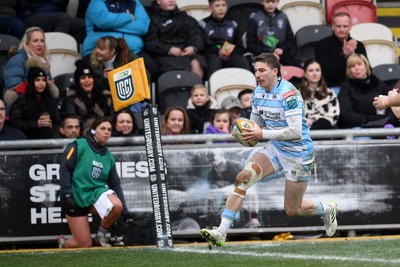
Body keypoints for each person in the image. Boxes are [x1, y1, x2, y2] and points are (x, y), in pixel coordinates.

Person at [200, 53, 338, 247]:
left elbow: (295, 131)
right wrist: (242, 132)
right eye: (255, 70)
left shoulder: (289, 94)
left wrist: (260, 133)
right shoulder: (258, 92)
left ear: (275, 71)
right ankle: (221, 232)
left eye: (262, 70)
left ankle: (326, 208)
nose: (257, 74)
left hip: (299, 154)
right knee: (243, 177)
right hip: (275, 147)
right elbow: (254, 126)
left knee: (292, 209)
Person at [57, 116, 126, 248]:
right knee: (84, 244)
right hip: (75, 197)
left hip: (95, 196)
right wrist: (66, 195)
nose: (106, 132)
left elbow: (115, 184)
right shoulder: (79, 145)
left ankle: (101, 235)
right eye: (103, 128)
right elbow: (64, 169)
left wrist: (125, 212)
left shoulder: (109, 156)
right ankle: (63, 243)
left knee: (116, 205)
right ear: (94, 130)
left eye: (109, 130)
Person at [84, 0, 158, 81]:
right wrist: (128, 17)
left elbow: (143, 27)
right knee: (97, 76)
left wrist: (111, 24)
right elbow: (103, 21)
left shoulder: (135, 2)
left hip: (133, 50)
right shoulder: (97, 2)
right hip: (100, 51)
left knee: (152, 70)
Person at [85, 36, 148, 115]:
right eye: (97, 47)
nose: (97, 51)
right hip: (104, 99)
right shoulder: (91, 61)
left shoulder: (128, 57)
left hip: (130, 97)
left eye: (102, 49)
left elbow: (145, 75)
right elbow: (93, 85)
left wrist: (118, 76)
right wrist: (104, 78)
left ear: (112, 51)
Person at [143, 0, 207, 79]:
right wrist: (169, 50)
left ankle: (197, 90)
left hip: (187, 53)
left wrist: (192, 48)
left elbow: (197, 34)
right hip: (163, 55)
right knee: (174, 66)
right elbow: (150, 42)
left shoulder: (183, 16)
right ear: (159, 1)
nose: (171, 1)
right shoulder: (151, 18)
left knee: (197, 63)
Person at [337, 53, 399, 129]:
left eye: (359, 64)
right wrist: (369, 120)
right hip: (357, 126)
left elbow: (392, 100)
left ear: (366, 66)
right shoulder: (346, 87)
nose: (357, 68)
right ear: (349, 70)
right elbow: (346, 113)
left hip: (382, 124)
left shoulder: (377, 83)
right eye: (352, 66)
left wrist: (387, 118)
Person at [315, 12, 368, 93]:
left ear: (350, 27)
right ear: (332, 26)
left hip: (358, 87)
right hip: (333, 88)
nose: (342, 29)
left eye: (345, 26)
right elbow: (324, 74)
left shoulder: (358, 45)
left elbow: (368, 70)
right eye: (338, 26)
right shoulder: (322, 45)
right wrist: (344, 55)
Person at [199, 0, 251, 80]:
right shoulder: (203, 24)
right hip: (211, 55)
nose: (221, 8)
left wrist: (227, 51)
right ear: (210, 8)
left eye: (223, 5)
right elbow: (201, 47)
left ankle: (249, 88)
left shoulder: (234, 23)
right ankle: (210, 88)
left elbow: (240, 46)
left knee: (242, 61)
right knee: (214, 62)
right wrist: (218, 51)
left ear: (227, 7)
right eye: (217, 6)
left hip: (230, 54)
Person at [61, 60, 114, 135]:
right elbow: (72, 121)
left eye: (89, 77)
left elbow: (112, 116)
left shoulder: (106, 96)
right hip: (83, 136)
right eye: (83, 78)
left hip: (107, 133)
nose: (87, 80)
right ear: (78, 81)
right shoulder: (71, 98)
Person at [8, 66, 61, 139]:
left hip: (48, 134)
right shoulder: (21, 100)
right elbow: (15, 122)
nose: (41, 83)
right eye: (37, 80)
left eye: (43, 80)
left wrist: (52, 125)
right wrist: (36, 124)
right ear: (31, 82)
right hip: (27, 136)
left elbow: (58, 119)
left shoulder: (50, 98)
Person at [2, 27, 52, 99]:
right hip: (19, 103)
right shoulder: (17, 60)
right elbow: (15, 87)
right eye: (35, 41)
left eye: (42, 41)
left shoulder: (44, 62)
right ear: (27, 43)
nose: (39, 44)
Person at [246, 0, 297, 66]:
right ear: (262, 2)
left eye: (273, 1)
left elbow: (291, 39)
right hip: (260, 54)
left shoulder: (283, 16)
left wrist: (282, 49)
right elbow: (251, 43)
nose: (270, 4)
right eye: (267, 1)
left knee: (295, 66)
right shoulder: (254, 18)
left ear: (277, 2)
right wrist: (270, 52)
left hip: (281, 54)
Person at [16, 0, 86, 45]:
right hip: (33, 16)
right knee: (62, 18)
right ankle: (56, 55)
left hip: (60, 17)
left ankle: (72, 56)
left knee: (86, 25)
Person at [298, 60, 340, 130]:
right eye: (311, 70)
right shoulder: (296, 94)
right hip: (303, 131)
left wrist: (313, 120)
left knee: (322, 123)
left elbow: (333, 117)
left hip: (325, 131)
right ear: (305, 74)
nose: (315, 73)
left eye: (317, 70)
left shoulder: (330, 93)